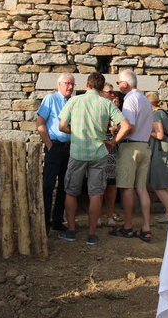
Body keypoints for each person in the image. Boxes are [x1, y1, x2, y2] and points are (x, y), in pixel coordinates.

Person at [57, 73, 129, 245]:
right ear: (101, 86)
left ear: (87, 84)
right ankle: (91, 234)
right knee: (96, 193)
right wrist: (113, 142)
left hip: (77, 152)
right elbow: (125, 125)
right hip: (99, 153)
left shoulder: (75, 101)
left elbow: (61, 126)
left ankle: (71, 231)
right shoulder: (106, 103)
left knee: (71, 192)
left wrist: (73, 132)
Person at [110, 70, 154, 242]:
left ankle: (128, 227)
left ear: (125, 84)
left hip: (130, 147)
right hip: (144, 146)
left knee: (127, 188)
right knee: (141, 189)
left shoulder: (130, 99)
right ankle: (146, 228)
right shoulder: (144, 99)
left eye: (118, 82)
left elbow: (129, 127)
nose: (117, 84)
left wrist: (114, 138)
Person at [36, 74, 75, 233]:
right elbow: (40, 123)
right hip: (55, 147)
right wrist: (49, 145)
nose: (70, 87)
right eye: (67, 83)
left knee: (64, 187)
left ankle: (57, 221)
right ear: (59, 84)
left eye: (72, 84)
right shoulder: (50, 98)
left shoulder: (74, 101)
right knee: (48, 185)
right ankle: (44, 222)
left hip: (70, 148)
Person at [146, 92, 168, 223]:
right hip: (164, 148)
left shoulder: (156, 114)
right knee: (164, 185)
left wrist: (146, 131)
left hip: (160, 150)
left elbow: (159, 135)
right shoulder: (163, 112)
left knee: (157, 183)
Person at [100, 84, 122, 227]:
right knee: (98, 184)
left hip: (112, 150)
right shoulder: (96, 107)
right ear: (102, 92)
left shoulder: (114, 109)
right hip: (99, 148)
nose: (112, 94)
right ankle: (96, 216)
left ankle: (109, 215)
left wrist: (114, 132)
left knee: (112, 185)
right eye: (109, 92)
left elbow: (122, 127)